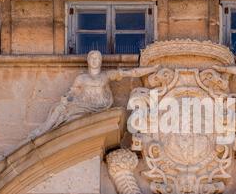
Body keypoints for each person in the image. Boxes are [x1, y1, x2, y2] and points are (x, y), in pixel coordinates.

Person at [29, 50, 159, 139]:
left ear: (101, 61)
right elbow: (72, 93)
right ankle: (42, 130)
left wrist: (152, 69)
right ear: (88, 60)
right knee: (59, 109)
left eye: (97, 58)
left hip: (100, 106)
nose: (94, 60)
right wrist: (65, 99)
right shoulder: (81, 78)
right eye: (92, 57)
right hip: (83, 105)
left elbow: (131, 72)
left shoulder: (106, 75)